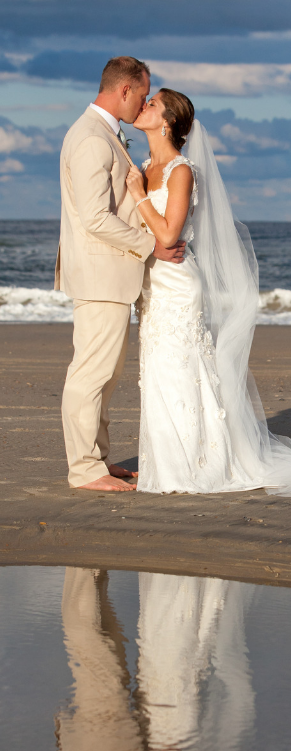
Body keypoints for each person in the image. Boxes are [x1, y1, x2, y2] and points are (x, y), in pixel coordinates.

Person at [127, 89, 291, 495]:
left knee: (184, 370)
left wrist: (137, 195)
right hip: (152, 286)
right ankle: (166, 464)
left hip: (179, 286)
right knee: (158, 373)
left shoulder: (181, 172)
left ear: (167, 121)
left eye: (152, 103)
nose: (143, 105)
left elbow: (168, 233)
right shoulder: (144, 166)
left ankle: (196, 466)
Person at [55, 57, 186, 492]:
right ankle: (84, 469)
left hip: (109, 275)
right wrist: (153, 246)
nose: (144, 102)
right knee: (91, 374)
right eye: (143, 94)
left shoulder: (104, 134)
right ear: (125, 90)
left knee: (105, 375)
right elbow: (94, 218)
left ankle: (99, 458)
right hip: (99, 275)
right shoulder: (92, 138)